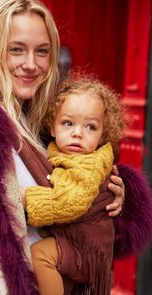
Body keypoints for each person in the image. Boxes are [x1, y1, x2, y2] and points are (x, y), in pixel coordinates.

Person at [0, 1, 151, 294]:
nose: (31, 63)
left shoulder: (46, 126)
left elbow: (71, 209)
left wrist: (112, 197)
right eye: (16, 49)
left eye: (42, 51)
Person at [23, 75, 124, 295]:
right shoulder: (60, 152)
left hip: (87, 249)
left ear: (102, 135)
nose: (77, 133)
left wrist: (24, 198)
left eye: (90, 127)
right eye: (68, 123)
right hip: (76, 240)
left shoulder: (91, 163)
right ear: (52, 127)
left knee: (40, 255)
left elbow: (72, 202)